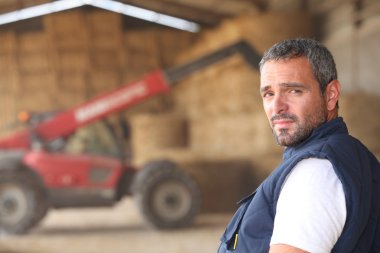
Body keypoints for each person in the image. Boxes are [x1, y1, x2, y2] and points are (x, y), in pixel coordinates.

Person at [217, 38, 380, 253]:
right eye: (268, 93)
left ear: (330, 95)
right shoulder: (346, 154)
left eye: (293, 91)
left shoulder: (315, 174)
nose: (277, 106)